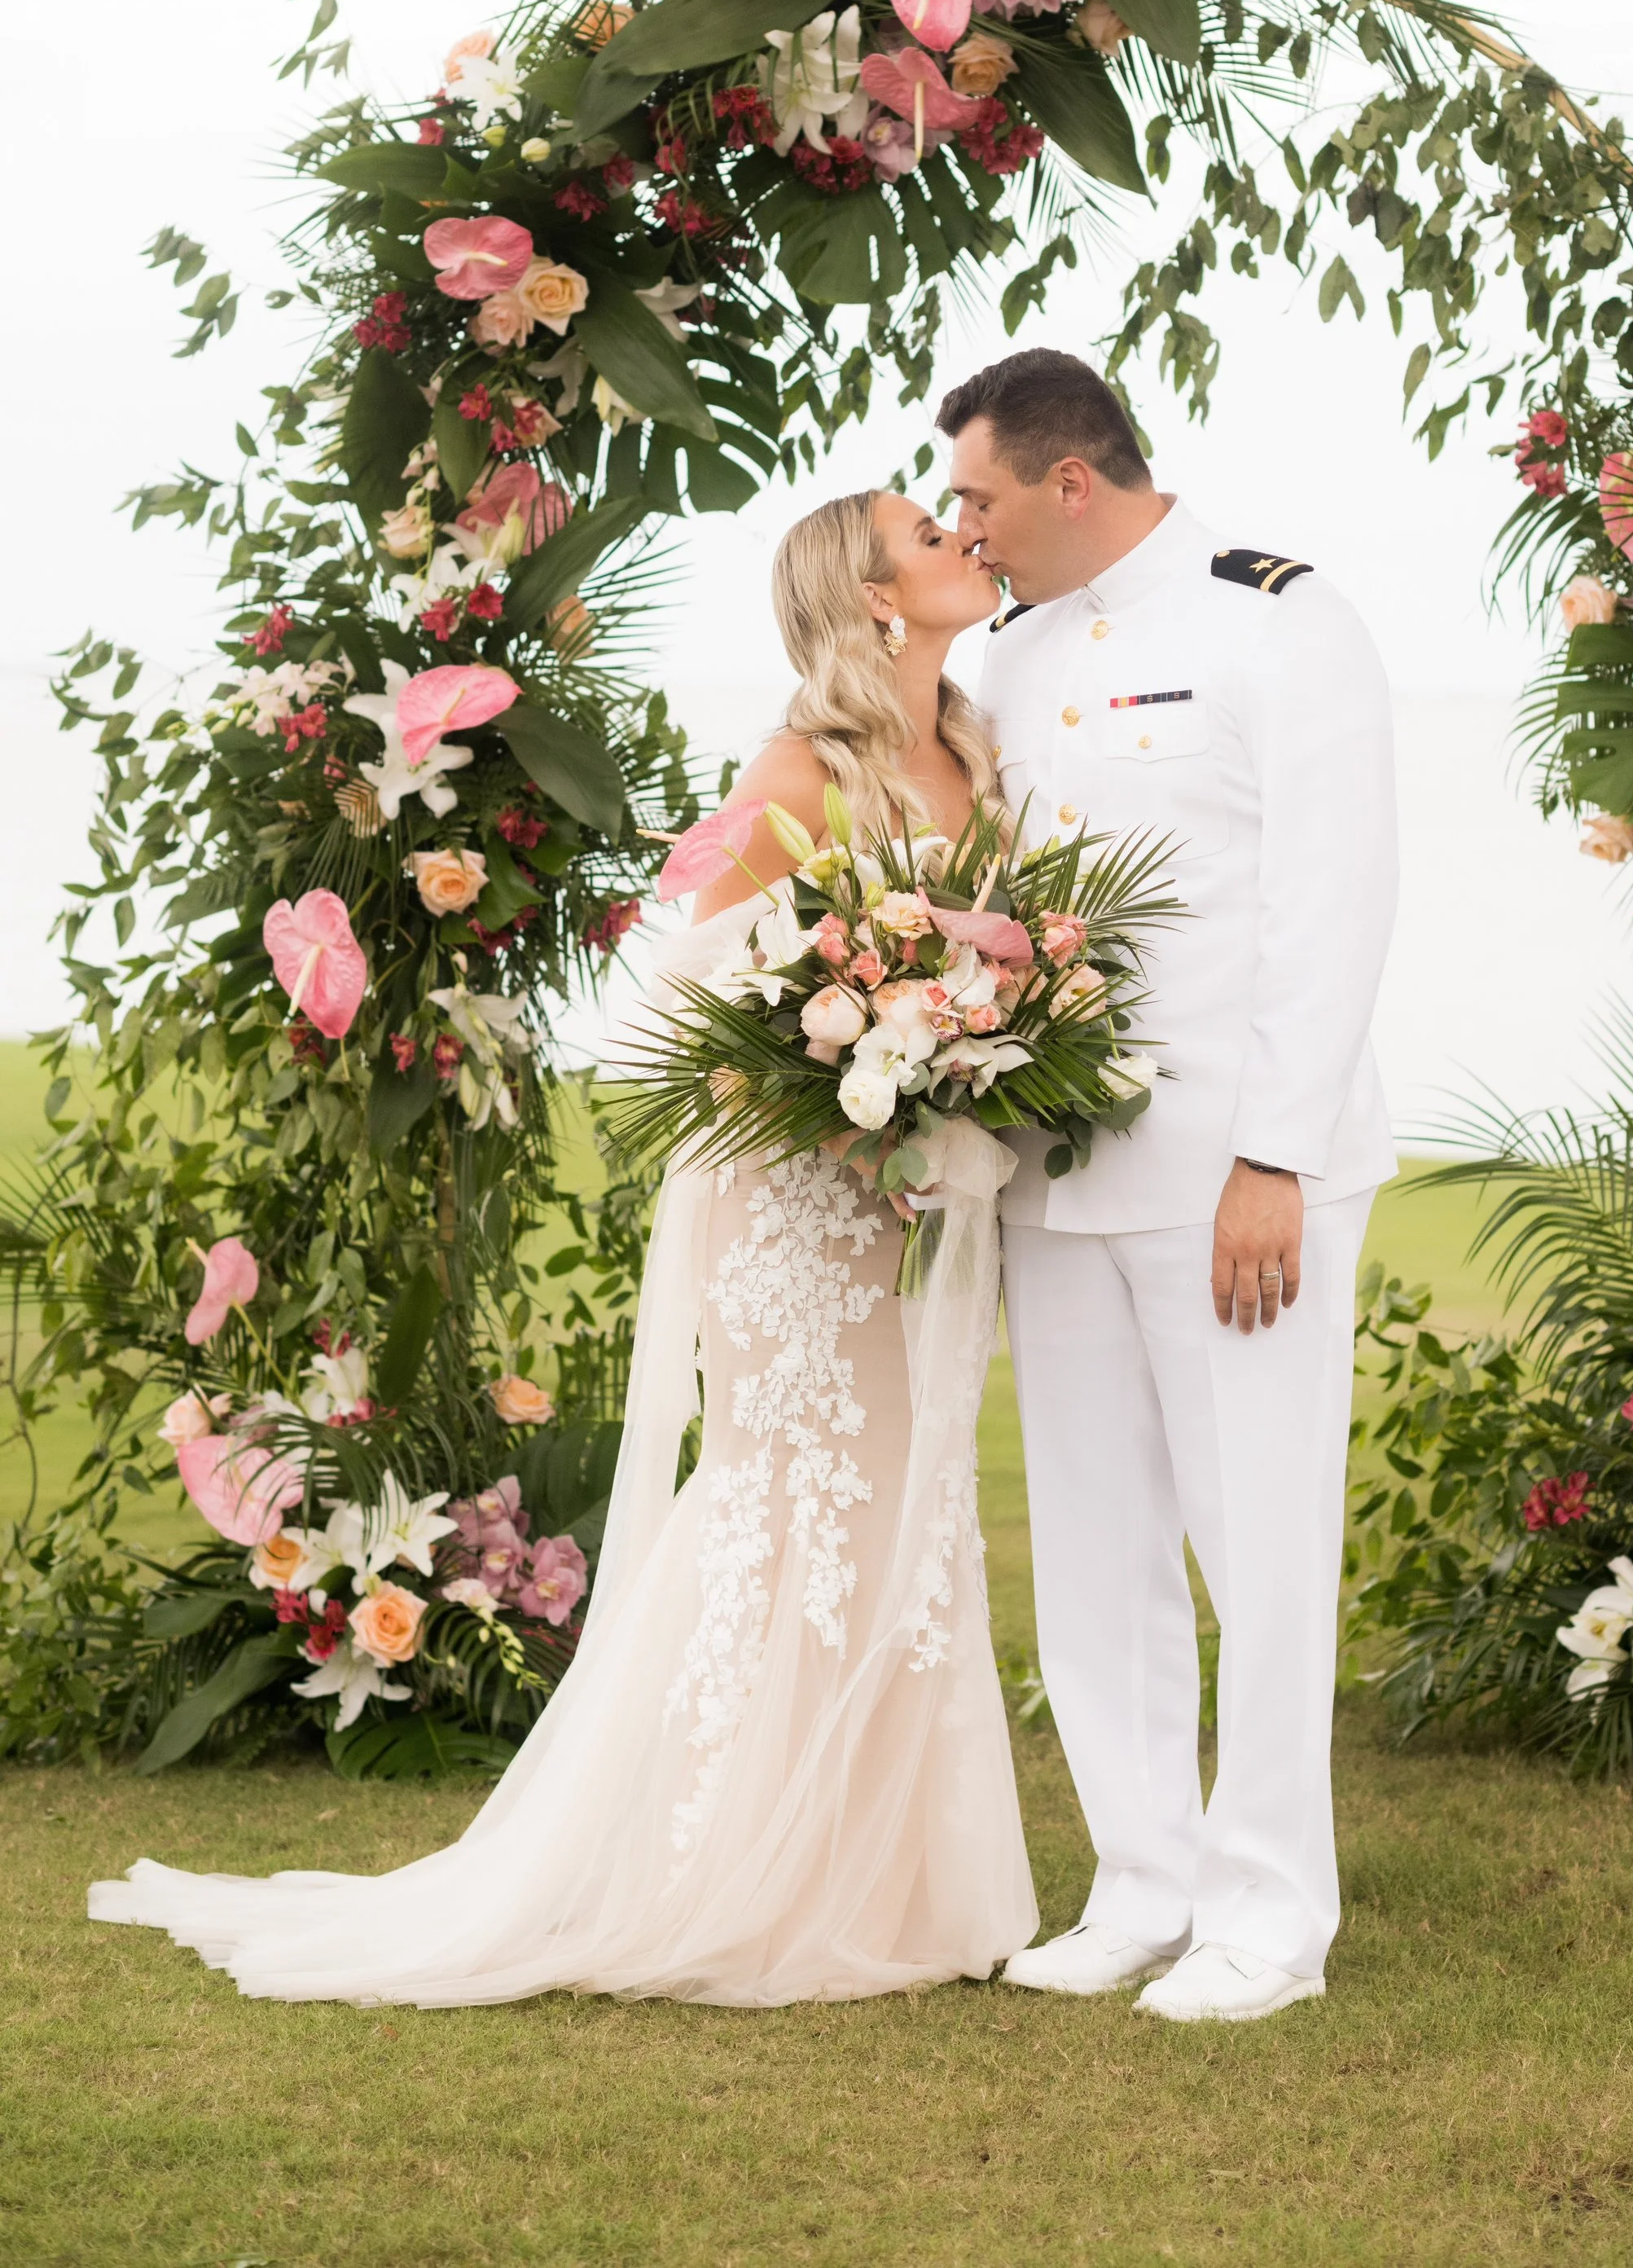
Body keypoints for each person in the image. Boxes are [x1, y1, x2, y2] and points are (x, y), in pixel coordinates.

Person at [88, 491, 1038, 2006]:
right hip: (785, 1201)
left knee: (898, 1498)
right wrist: (846, 1043)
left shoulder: (976, 754)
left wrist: (943, 1056)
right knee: (786, 1495)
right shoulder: (800, 765)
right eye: (933, 530)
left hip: (891, 1194)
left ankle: (889, 1876)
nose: (963, 541)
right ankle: (726, 1868)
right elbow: (687, 982)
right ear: (869, 596)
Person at [939, 347, 1398, 2024]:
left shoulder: (1277, 622)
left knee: (1255, 1542)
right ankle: (1141, 1880)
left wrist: (1274, 1156)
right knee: (1092, 1544)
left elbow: (1328, 907)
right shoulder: (1008, 652)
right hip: (1061, 1178)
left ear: (1071, 482)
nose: (956, 526)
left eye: (976, 496)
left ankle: (1269, 1919)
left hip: (1231, 1173)